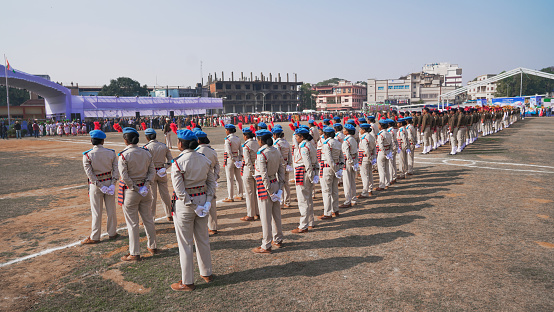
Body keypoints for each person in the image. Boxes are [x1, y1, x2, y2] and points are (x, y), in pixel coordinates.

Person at [170, 130, 216, 291]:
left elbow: (180, 191)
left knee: (186, 244)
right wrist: (207, 202)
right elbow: (212, 183)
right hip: (203, 202)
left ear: (181, 144)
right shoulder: (204, 159)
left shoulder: (178, 162)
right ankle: (207, 273)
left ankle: (187, 281)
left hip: (186, 206)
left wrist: (195, 206)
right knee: (202, 239)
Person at [117, 127, 158, 262]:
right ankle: (153, 246)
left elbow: (124, 176)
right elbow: (152, 171)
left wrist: (134, 187)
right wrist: (145, 186)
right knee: (148, 219)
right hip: (145, 190)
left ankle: (134, 253)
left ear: (126, 140)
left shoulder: (124, 155)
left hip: (131, 191)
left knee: (133, 224)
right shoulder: (146, 153)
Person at [81, 130, 119, 244]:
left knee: (96, 212)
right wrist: (112, 184)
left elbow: (90, 174)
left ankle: (95, 236)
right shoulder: (111, 153)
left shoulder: (87, 155)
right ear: (103, 140)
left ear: (92, 141)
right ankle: (112, 233)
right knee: (111, 210)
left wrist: (100, 186)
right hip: (109, 181)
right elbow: (116, 170)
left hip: (96, 185)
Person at [252, 129, 285, 254]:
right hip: (275, 182)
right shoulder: (276, 151)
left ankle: (266, 244)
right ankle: (278, 238)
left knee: (265, 216)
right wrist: (279, 188)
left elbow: (263, 175)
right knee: (276, 214)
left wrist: (270, 191)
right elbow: (281, 169)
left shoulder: (262, 153)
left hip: (265, 185)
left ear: (261, 140)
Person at [143, 128, 174, 223]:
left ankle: (151, 217)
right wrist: (164, 168)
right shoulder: (163, 146)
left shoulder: (146, 147)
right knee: (165, 194)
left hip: (151, 173)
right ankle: (169, 214)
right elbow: (170, 160)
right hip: (162, 171)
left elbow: (145, 163)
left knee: (152, 196)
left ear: (147, 137)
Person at [193, 130, 220, 235]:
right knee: (212, 203)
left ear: (198, 140)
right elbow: (217, 165)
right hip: (211, 179)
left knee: (200, 203)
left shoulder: (197, 151)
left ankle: (203, 228)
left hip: (201, 180)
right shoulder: (212, 151)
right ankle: (213, 227)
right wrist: (214, 177)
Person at [292, 127, 317, 233]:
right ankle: (310, 221)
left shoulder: (303, 147)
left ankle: (303, 225)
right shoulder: (309, 144)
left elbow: (307, 163)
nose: (296, 138)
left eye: (297, 136)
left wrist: (311, 175)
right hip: (307, 172)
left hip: (303, 173)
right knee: (308, 199)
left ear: (301, 137)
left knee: (303, 200)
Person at [318, 126, 343, 219]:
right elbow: (341, 157)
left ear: (326, 134)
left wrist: (335, 169)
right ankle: (335, 210)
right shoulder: (338, 143)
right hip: (336, 167)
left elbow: (329, 159)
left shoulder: (326, 144)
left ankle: (327, 213)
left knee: (326, 191)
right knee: (334, 190)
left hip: (328, 168)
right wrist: (339, 168)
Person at [240, 128, 259, 221]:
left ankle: (250, 214)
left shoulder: (246, 145)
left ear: (246, 136)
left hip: (249, 170)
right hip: (257, 168)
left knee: (249, 193)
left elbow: (247, 160)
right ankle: (257, 212)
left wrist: (252, 171)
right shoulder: (257, 143)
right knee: (256, 193)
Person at [222, 124, 244, 202]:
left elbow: (228, 151)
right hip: (237, 158)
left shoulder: (227, 139)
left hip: (230, 160)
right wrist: (239, 159)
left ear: (228, 130)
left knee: (230, 179)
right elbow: (241, 150)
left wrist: (233, 159)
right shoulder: (237, 138)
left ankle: (230, 197)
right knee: (238, 178)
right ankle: (240, 194)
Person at [272, 126, 293, 208]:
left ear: (275, 135)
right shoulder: (286, 142)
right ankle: (287, 201)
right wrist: (289, 163)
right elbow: (289, 154)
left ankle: (281, 202)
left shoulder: (277, 143)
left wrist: (281, 164)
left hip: (280, 165)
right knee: (286, 184)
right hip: (286, 164)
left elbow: (278, 155)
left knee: (280, 184)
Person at [339, 123, 358, 208]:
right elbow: (356, 151)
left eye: (344, 129)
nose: (343, 131)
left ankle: (348, 200)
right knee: (352, 181)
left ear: (347, 131)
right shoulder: (353, 139)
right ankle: (353, 199)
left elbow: (346, 153)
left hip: (347, 162)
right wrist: (355, 162)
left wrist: (350, 162)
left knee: (347, 182)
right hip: (353, 160)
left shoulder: (346, 140)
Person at [357, 123, 375, 199]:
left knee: (365, 175)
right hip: (370, 156)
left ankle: (365, 192)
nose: (359, 130)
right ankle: (370, 189)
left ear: (364, 130)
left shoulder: (364, 138)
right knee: (369, 174)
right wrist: (373, 157)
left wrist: (369, 157)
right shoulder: (371, 136)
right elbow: (374, 148)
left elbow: (366, 149)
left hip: (365, 157)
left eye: (361, 129)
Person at [375, 119, 392, 191]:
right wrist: (389, 152)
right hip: (388, 150)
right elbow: (391, 143)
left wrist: (384, 152)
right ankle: (387, 183)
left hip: (382, 152)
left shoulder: (381, 134)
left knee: (381, 169)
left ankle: (382, 185)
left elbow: (380, 145)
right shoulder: (388, 133)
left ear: (381, 126)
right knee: (387, 168)